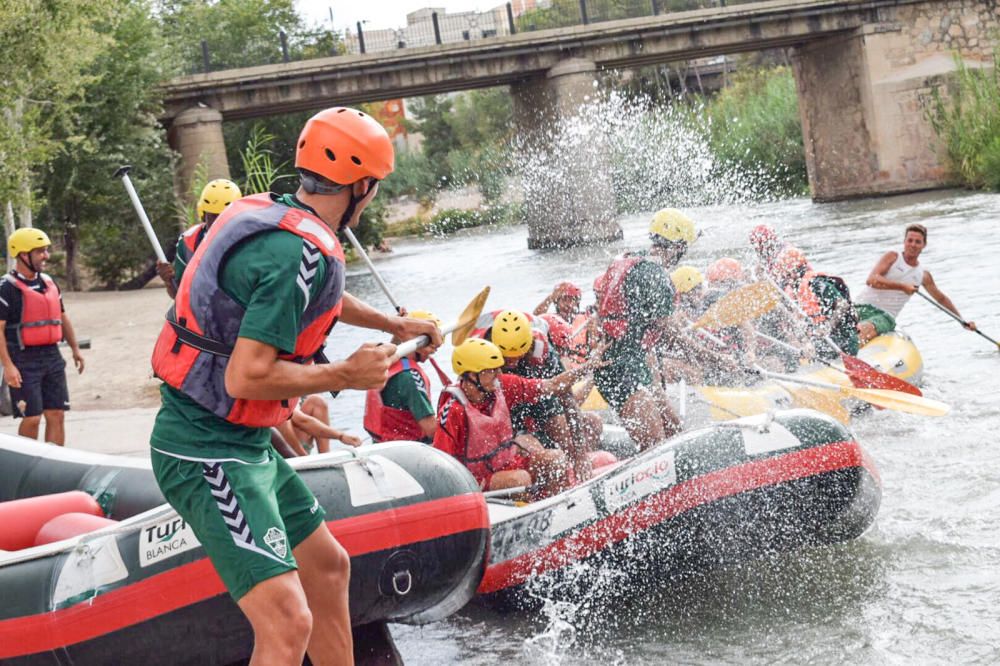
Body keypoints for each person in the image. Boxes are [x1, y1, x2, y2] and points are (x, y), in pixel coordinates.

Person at [148, 107, 442, 665]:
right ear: (361, 186)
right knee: (287, 622)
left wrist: (390, 325)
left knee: (329, 568)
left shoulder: (279, 217)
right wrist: (343, 375)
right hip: (205, 450)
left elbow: (307, 297)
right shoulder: (299, 254)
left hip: (245, 442)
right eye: (375, 186)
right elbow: (245, 375)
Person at [433, 338, 600, 498]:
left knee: (555, 459)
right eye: (492, 370)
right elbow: (441, 465)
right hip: (474, 479)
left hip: (507, 463)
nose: (498, 374)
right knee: (520, 480)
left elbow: (552, 385)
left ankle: (559, 510)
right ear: (471, 375)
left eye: (498, 369)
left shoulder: (503, 386)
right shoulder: (453, 411)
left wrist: (587, 368)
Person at [592, 208, 692, 450]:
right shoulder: (655, 275)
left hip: (631, 362)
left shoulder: (629, 260)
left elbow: (627, 324)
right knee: (656, 449)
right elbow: (672, 333)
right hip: (623, 370)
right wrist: (718, 359)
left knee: (675, 431)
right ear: (677, 246)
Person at [0, 228, 85, 445]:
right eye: (40, 252)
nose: (46, 256)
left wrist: (75, 349)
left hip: (52, 355)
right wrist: (8, 366)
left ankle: (56, 468)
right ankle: (25, 469)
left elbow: (62, 317)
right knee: (32, 417)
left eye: (46, 251)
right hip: (23, 358)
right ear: (22, 255)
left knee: (57, 414)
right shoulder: (6, 288)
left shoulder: (49, 283)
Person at [855, 223, 976, 344]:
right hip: (862, 306)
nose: (913, 245)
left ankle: (849, 352)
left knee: (863, 329)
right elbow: (871, 280)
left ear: (924, 245)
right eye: (910, 240)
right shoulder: (893, 257)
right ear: (904, 242)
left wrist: (962, 321)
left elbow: (941, 299)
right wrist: (902, 287)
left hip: (885, 316)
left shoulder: (923, 275)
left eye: (918, 242)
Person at [363, 309, 441, 443]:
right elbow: (431, 429)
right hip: (408, 452)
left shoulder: (387, 362)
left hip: (381, 445)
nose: (434, 350)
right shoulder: (410, 377)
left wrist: (399, 327)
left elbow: (395, 347)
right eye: (431, 343)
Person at [157, 178, 242, 299]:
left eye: (225, 216)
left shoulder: (251, 239)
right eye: (213, 216)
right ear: (203, 214)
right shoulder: (189, 242)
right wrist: (169, 281)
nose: (219, 221)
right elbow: (178, 296)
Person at [772, 245, 860, 356]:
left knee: (819, 347)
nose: (784, 277)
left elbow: (842, 305)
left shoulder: (817, 284)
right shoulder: (793, 289)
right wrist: (804, 343)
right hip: (823, 340)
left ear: (794, 271)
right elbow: (797, 322)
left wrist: (828, 327)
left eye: (785, 274)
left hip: (843, 338)